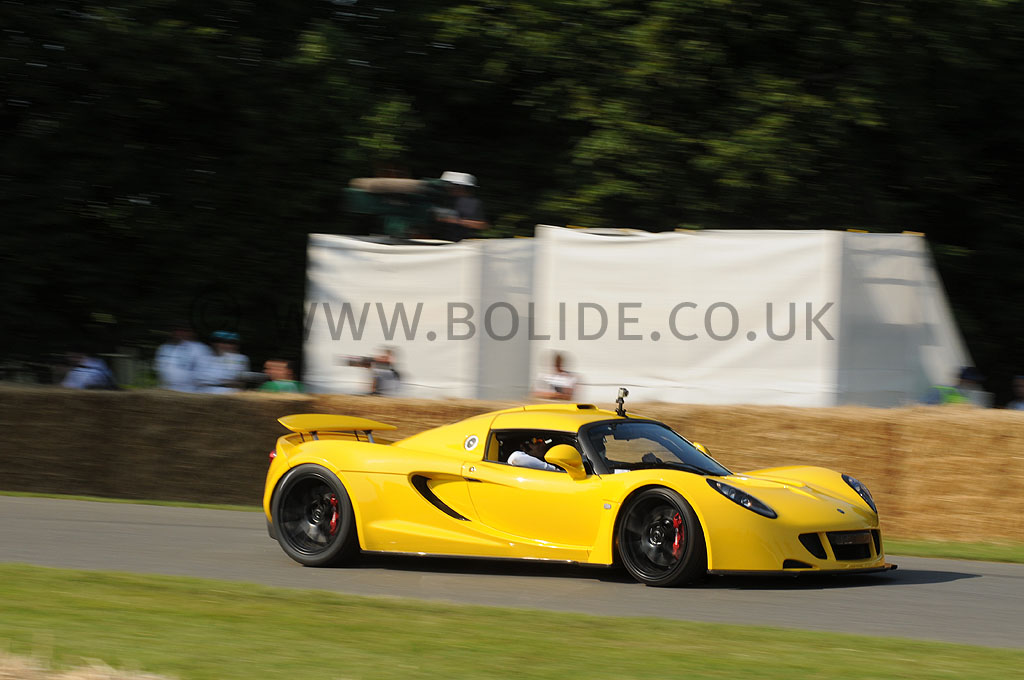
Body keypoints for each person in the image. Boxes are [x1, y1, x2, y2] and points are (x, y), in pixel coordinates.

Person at [155, 322, 212, 392]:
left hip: (190, 391)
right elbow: (160, 369)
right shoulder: (165, 348)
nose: (179, 333)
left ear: (191, 333)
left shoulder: (199, 349)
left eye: (183, 330)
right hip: (167, 390)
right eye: (176, 330)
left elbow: (204, 373)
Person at [438, 171, 488, 241]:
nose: (447, 188)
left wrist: (453, 220)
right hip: (442, 240)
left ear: (461, 187)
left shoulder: (471, 202)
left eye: (450, 186)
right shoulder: (448, 200)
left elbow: (482, 225)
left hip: (460, 242)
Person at [923, 366, 991, 407]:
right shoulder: (940, 390)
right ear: (962, 380)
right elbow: (924, 407)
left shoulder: (973, 397)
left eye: (975, 381)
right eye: (971, 381)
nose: (973, 384)